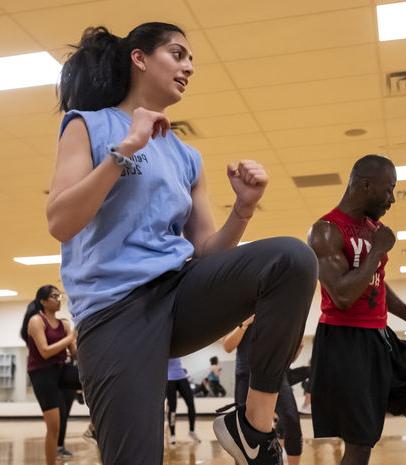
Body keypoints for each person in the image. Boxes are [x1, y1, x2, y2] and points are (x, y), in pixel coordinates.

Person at [48, 22, 318, 465]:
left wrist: (244, 209)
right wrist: (125, 150)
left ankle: (252, 427)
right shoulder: (88, 125)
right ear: (139, 58)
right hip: (115, 312)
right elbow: (60, 222)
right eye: (177, 54)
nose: (189, 66)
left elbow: (207, 252)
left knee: (291, 259)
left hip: (179, 294)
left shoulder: (186, 155)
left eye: (191, 58)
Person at [308, 155, 406, 465]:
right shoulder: (326, 230)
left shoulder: (375, 228)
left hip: (380, 336)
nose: (392, 199)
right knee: (360, 446)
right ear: (365, 185)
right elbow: (343, 295)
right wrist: (376, 251)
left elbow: (376, 284)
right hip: (344, 341)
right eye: (389, 190)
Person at [224, 316, 304, 465]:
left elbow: (289, 356)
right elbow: (227, 346)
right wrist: (244, 324)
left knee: (291, 420)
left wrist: (295, 348)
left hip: (275, 372)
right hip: (246, 374)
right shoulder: (239, 307)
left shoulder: (277, 308)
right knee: (243, 431)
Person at [20, 285, 81, 465]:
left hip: (61, 369)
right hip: (41, 373)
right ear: (43, 301)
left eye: (59, 295)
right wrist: (70, 338)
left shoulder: (64, 324)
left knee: (94, 380)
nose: (59, 299)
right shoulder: (36, 321)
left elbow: (75, 353)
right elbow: (45, 351)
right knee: (54, 427)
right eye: (54, 296)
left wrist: (81, 340)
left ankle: (93, 429)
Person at [166, 358, 200, 445]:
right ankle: (172, 434)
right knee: (172, 408)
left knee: (191, 404)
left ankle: (191, 431)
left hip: (182, 377)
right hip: (169, 379)